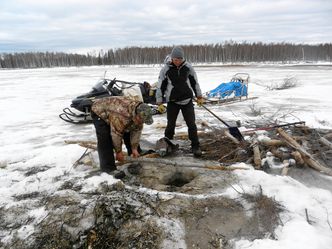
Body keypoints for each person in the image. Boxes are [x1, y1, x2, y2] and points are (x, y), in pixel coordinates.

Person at [156, 46, 204, 157]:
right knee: (170, 125)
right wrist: (159, 102)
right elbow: (160, 87)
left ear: (183, 58)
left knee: (191, 125)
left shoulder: (188, 68)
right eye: (175, 59)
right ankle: (168, 145)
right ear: (172, 58)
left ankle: (195, 146)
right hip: (172, 102)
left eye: (180, 59)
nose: (177, 61)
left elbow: (194, 83)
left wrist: (199, 96)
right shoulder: (165, 69)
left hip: (187, 101)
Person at [91, 96, 153, 178]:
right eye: (141, 120)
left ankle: (134, 153)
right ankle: (108, 168)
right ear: (136, 115)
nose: (141, 122)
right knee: (105, 138)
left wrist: (134, 148)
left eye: (143, 121)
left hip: (115, 110)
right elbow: (116, 133)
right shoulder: (121, 115)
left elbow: (137, 131)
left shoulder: (140, 113)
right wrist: (118, 152)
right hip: (99, 110)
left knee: (130, 127)